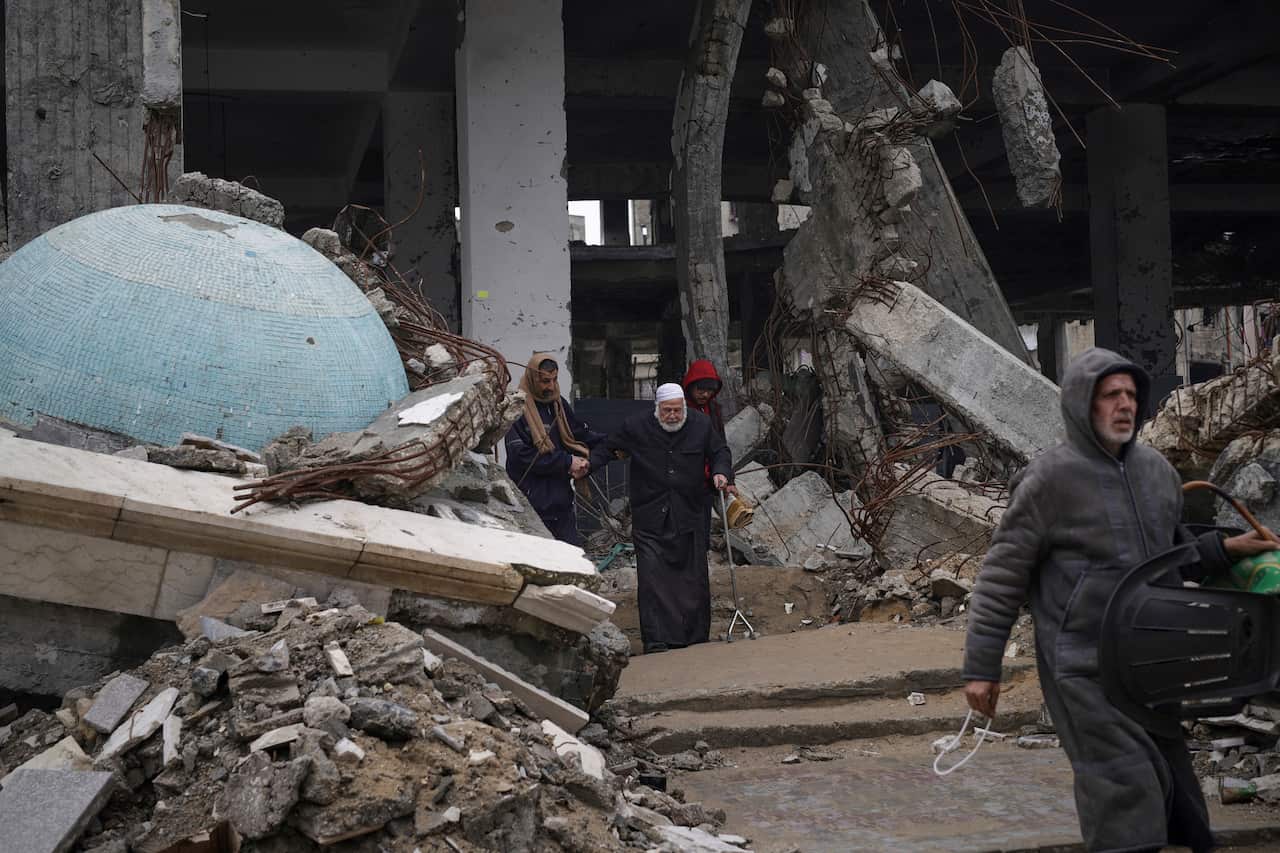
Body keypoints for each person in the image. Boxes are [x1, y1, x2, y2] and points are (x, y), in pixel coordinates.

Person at [963, 347, 1276, 853]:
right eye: (1111, 395)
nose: (1124, 405)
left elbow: (1171, 558)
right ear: (1082, 404)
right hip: (1081, 666)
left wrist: (1224, 548)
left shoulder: (1157, 473)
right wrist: (981, 667)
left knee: (1172, 781)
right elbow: (1002, 576)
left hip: (1154, 661)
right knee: (1120, 779)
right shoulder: (1048, 481)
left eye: (1130, 394)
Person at [587, 383, 732, 653]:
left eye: (678, 410)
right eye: (667, 411)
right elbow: (608, 449)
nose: (673, 416)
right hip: (650, 514)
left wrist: (721, 473)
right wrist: (587, 466)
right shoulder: (636, 426)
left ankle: (694, 637)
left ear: (684, 408)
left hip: (690, 512)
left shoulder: (700, 425)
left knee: (692, 578)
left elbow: (720, 452)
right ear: (657, 409)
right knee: (652, 578)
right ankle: (656, 640)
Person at [504, 353, 604, 546]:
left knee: (572, 561)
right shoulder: (517, 407)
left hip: (561, 504)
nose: (550, 386)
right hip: (530, 504)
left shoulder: (557, 404)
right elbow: (521, 456)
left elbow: (577, 434)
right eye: (545, 381)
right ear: (533, 379)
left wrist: (613, 441)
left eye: (554, 379)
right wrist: (567, 462)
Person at [682, 359, 726, 438]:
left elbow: (721, 441)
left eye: (710, 390)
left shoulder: (714, 410)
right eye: (701, 389)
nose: (705, 395)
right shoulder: (679, 410)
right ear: (690, 386)